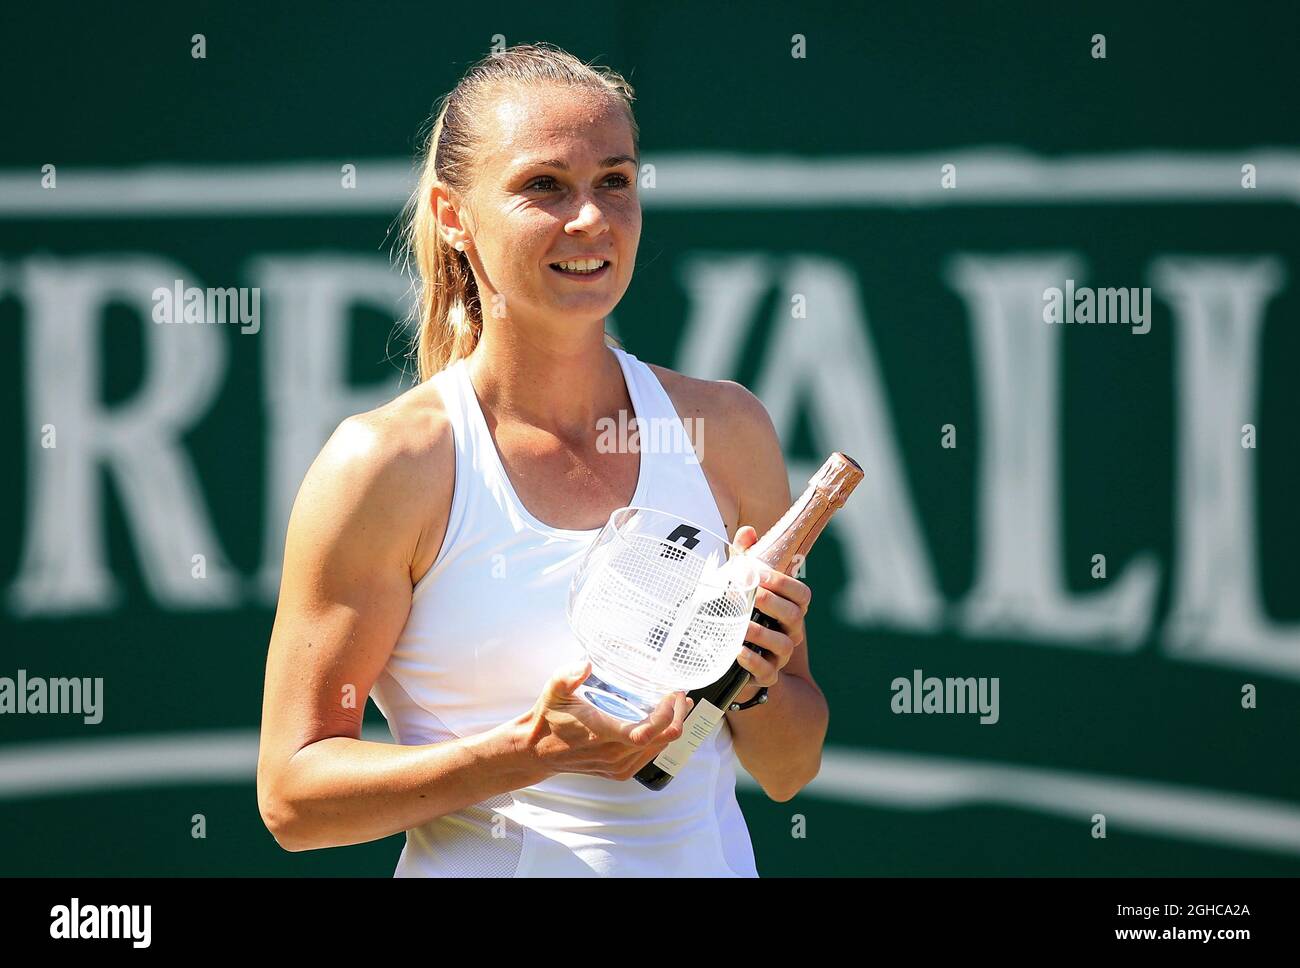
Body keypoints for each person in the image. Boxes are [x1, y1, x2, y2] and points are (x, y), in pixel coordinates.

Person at [256, 42, 828, 877]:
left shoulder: (727, 428)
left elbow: (789, 768)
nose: (591, 219)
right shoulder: (386, 464)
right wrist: (530, 750)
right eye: (544, 186)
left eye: (616, 182)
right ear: (455, 216)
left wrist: (753, 679)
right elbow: (293, 798)